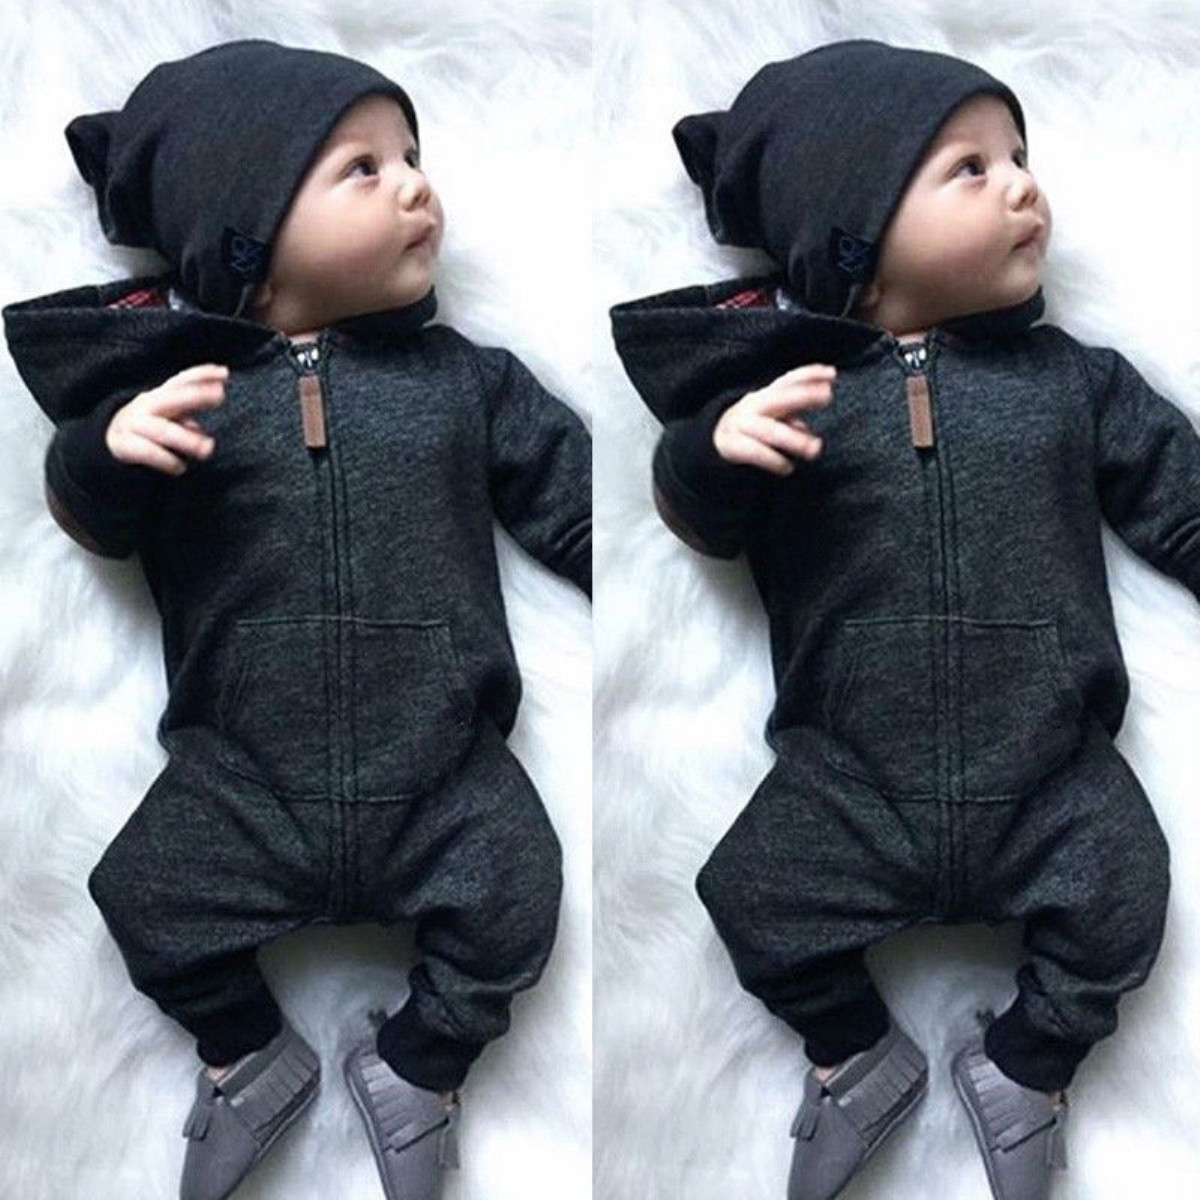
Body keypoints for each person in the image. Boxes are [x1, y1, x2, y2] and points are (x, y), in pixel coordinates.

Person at [3, 38, 590, 1200]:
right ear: (246, 235)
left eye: (413, 156)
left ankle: (420, 1068)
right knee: (141, 895)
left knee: (522, 894)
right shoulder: (177, 398)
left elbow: (581, 509)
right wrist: (102, 454)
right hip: (242, 775)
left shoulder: (469, 382)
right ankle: (246, 1053)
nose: (417, 186)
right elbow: (93, 521)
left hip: (444, 774)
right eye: (364, 168)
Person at [610, 39, 1186, 1200]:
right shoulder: (791, 399)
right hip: (850, 778)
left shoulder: (1076, 382)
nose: (1023, 185)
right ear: (854, 239)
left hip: (1053, 771)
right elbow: (699, 522)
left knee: (1129, 895)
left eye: (1019, 156)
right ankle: (855, 1052)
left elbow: (1181, 497)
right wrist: (712, 453)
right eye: (972, 168)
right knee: (749, 898)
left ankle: (1028, 1066)